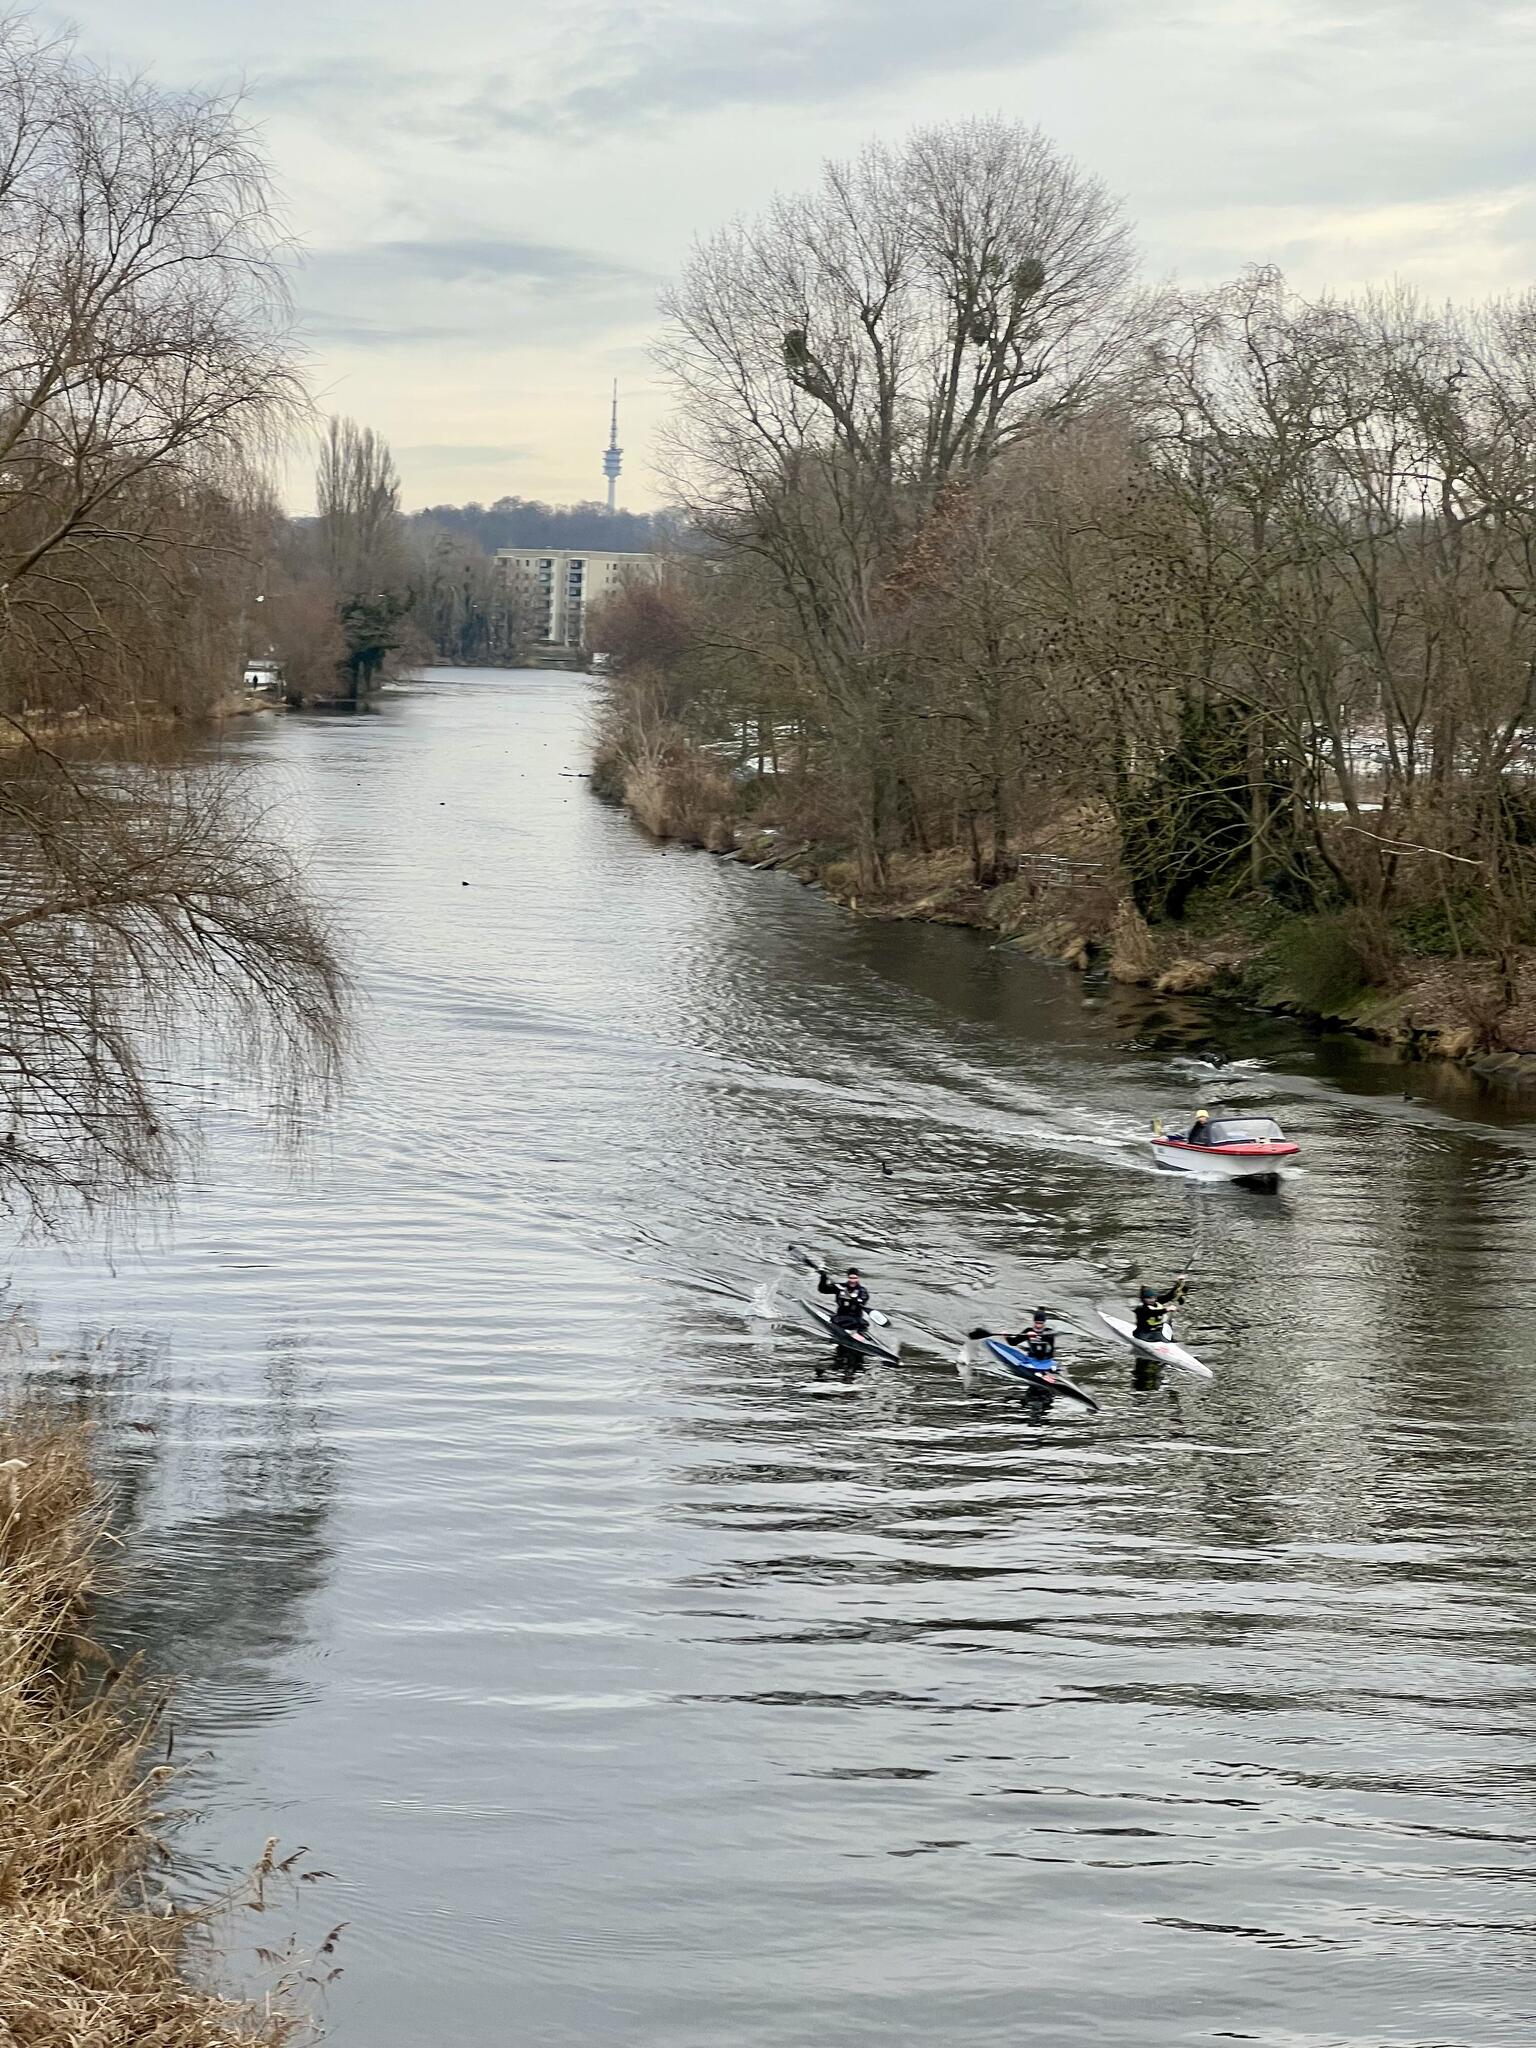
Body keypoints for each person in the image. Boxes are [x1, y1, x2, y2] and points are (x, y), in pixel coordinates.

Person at [818, 1264, 871, 1338]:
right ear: (848, 1277)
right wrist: (823, 1278)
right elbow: (823, 1289)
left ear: (858, 1278)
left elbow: (864, 1299)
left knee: (861, 1323)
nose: (853, 1280)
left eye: (855, 1278)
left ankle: (858, 1333)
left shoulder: (862, 1290)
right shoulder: (840, 1287)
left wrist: (856, 1300)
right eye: (851, 1278)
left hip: (856, 1317)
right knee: (844, 1321)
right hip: (841, 1316)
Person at [1133, 1276, 1188, 1341]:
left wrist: (1179, 1283)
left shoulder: (1157, 1301)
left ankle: (1167, 1341)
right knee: (1159, 1335)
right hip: (1142, 1334)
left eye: (1153, 1298)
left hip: (1156, 1330)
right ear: (1144, 1299)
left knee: (1167, 1329)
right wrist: (1167, 1309)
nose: (1152, 1300)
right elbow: (1152, 1313)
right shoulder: (1140, 1309)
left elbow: (1169, 1296)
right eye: (1149, 1298)